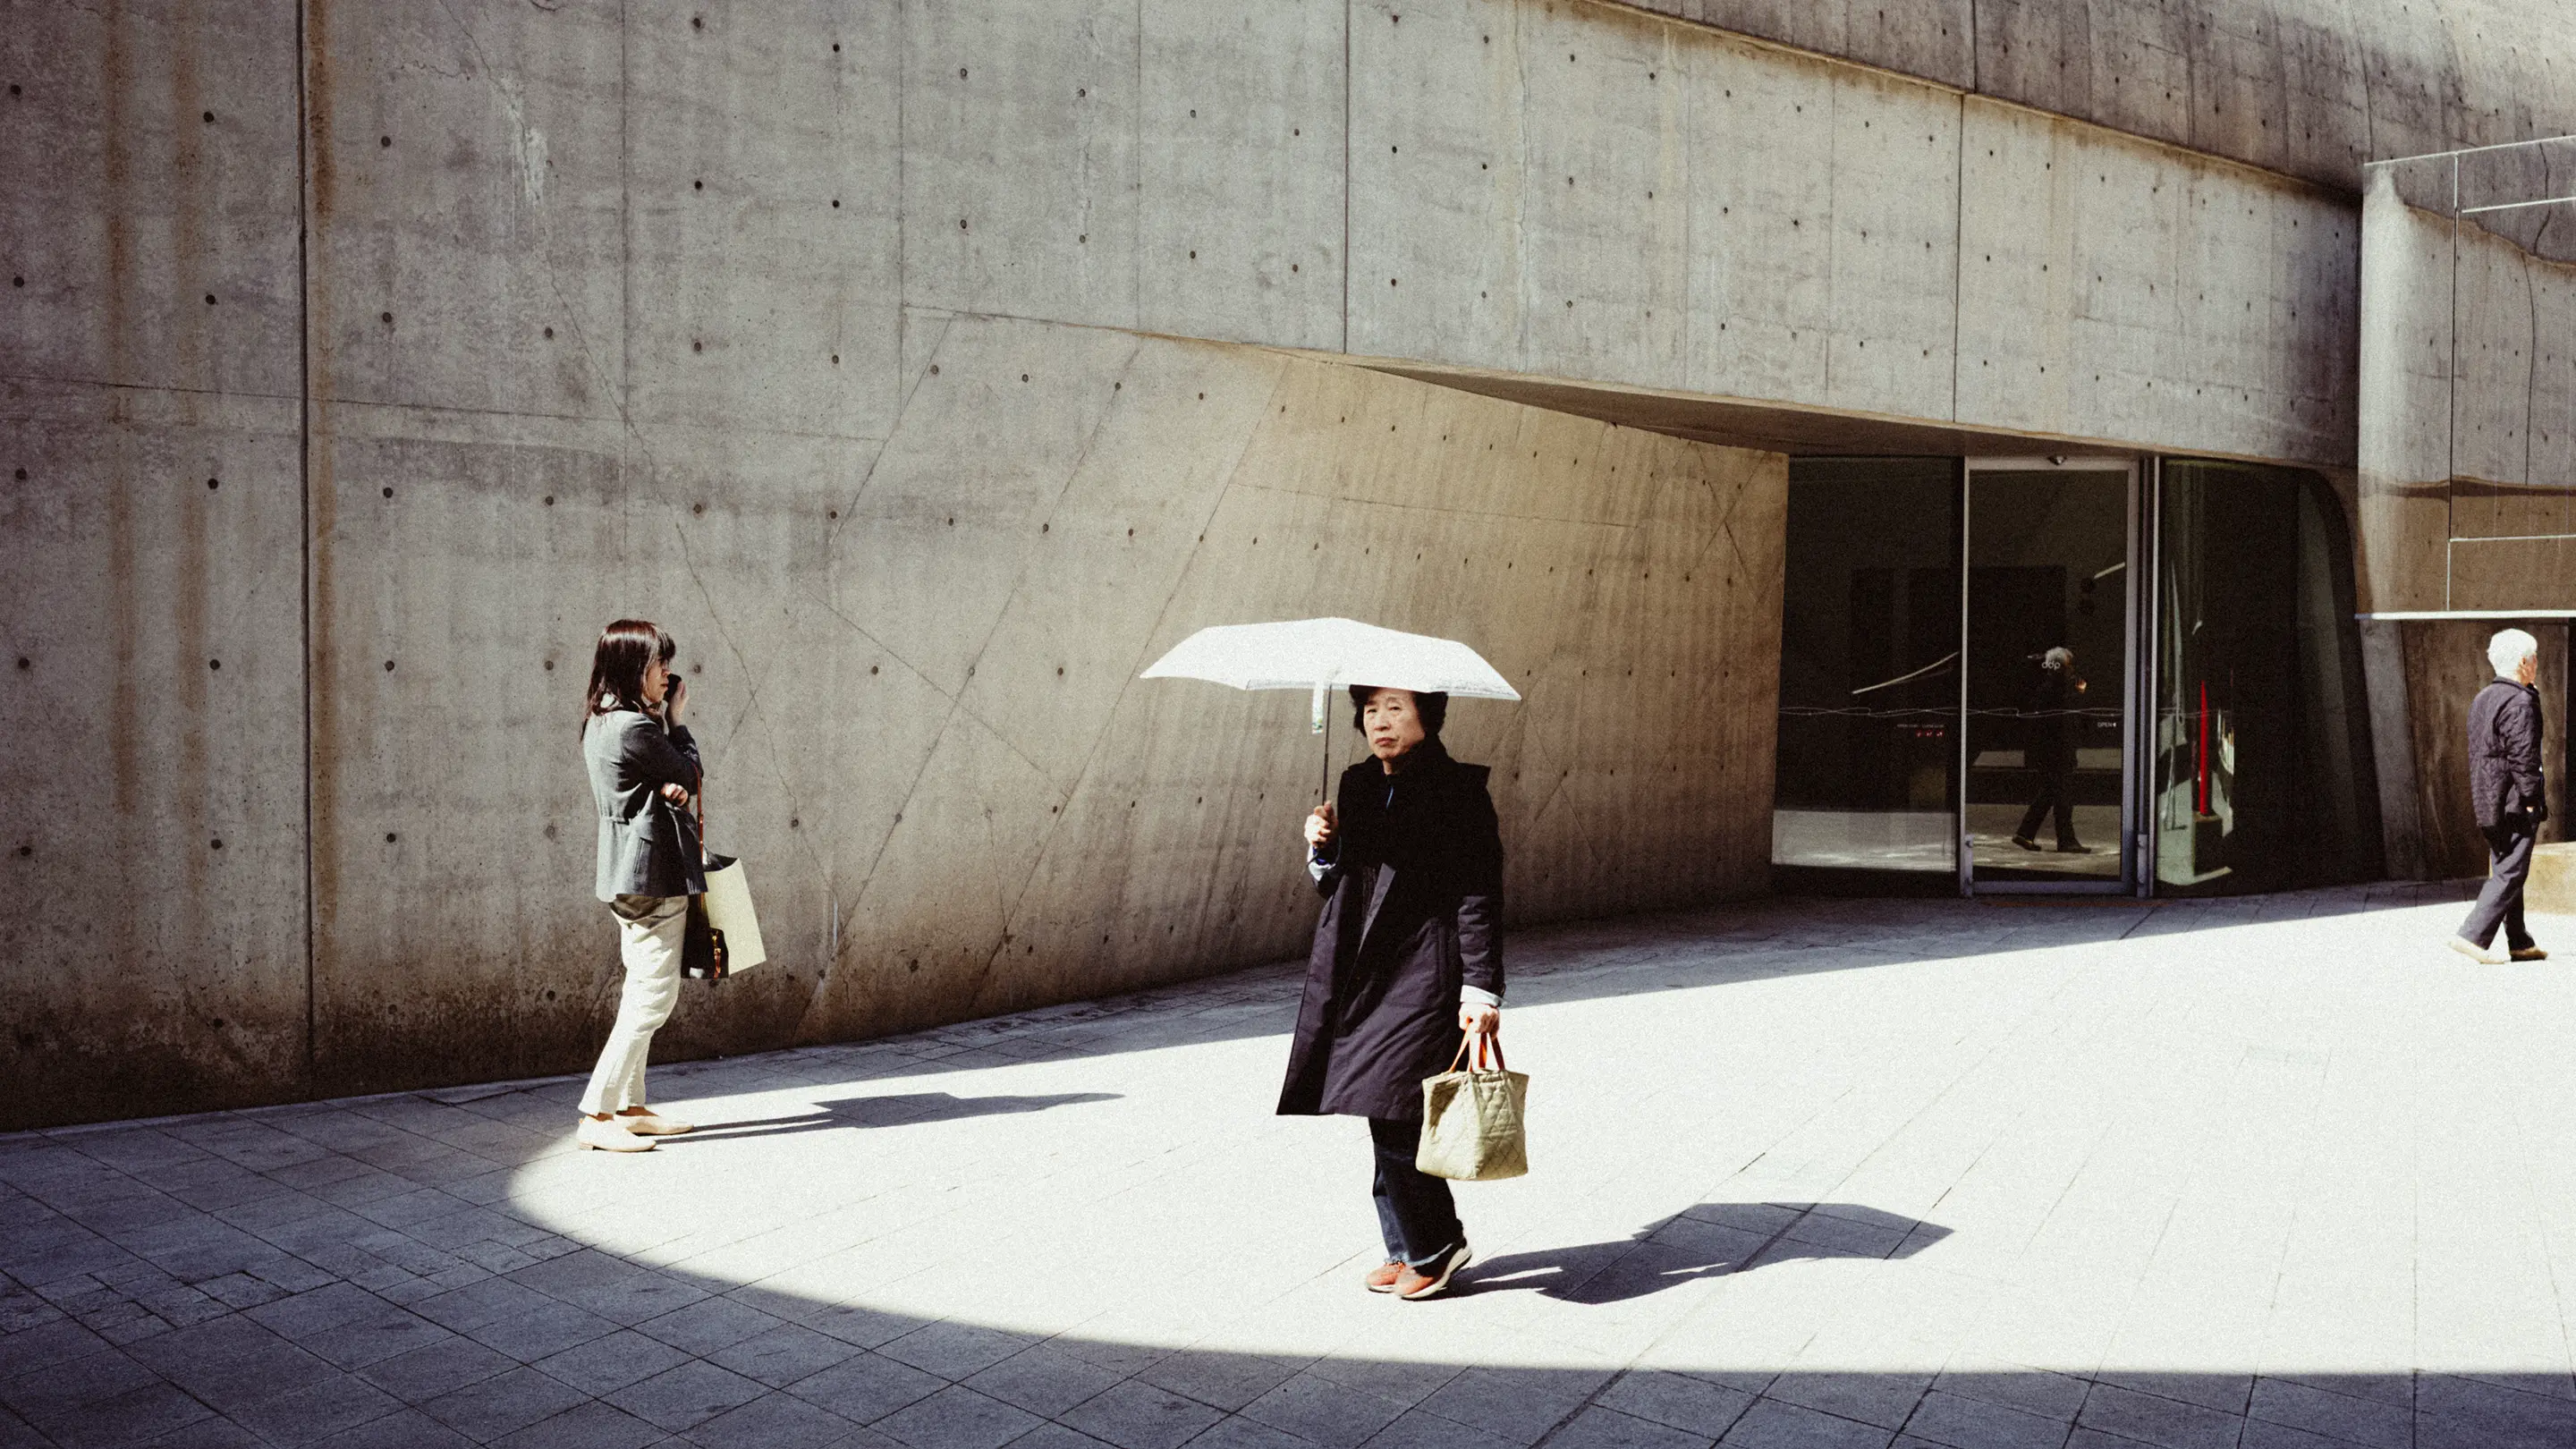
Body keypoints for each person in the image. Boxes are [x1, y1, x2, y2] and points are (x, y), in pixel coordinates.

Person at [1282, 685, 1504, 1301]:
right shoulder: (1355, 784)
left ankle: (1438, 1245)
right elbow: (1340, 883)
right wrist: (1322, 848)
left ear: (1426, 720)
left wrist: (1481, 988)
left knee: (1396, 1108)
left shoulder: (1459, 791)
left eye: (1396, 709)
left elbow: (1479, 893)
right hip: (1360, 970)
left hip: (1424, 973)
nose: (1381, 722)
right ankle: (1405, 1243)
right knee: (1379, 1104)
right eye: (1372, 710)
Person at [574, 619, 708, 1151]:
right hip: (652, 878)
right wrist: (676, 722)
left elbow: (643, 789)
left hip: (624, 871)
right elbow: (693, 775)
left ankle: (629, 1107)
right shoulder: (636, 727)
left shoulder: (602, 721)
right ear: (635, 668)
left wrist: (663, 787)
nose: (667, 674)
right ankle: (597, 1112)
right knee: (653, 998)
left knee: (639, 989)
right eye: (659, 664)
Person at [2453, 628, 2549, 964]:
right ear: (2524, 662)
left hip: (2488, 799)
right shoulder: (2519, 700)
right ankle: (2473, 935)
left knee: (2508, 867)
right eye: (2535, 658)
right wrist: (2532, 797)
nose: (2537, 663)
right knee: (2511, 871)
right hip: (2512, 801)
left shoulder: (2484, 698)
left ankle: (2519, 941)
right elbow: (2524, 756)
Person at [2012, 647, 2090, 853]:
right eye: (2069, 665)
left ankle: (2025, 833)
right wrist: (2079, 693)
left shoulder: (2048, 688)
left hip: (2052, 752)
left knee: (2049, 794)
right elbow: (2068, 720)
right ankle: (2066, 840)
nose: (2072, 669)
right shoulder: (2057, 691)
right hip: (2057, 753)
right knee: (2063, 798)